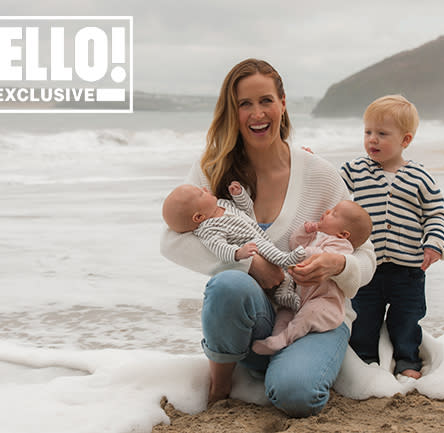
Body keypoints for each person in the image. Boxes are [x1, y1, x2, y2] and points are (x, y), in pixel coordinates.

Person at [160, 58, 376, 417]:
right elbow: (170, 241)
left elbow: (366, 257)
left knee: (296, 395)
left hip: (313, 316)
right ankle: (221, 383)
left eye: (265, 101)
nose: (257, 114)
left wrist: (335, 264)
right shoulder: (212, 170)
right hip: (254, 321)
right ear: (233, 111)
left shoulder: (320, 175)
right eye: (245, 103)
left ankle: (291, 367)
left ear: (283, 103)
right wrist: (250, 263)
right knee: (229, 284)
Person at [340, 94, 444, 380]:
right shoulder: (357, 170)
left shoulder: (419, 176)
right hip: (368, 266)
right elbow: (328, 183)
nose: (372, 140)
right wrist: (309, 161)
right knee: (363, 317)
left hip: (409, 269)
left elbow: (436, 213)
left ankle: (407, 360)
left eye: (382, 134)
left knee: (407, 318)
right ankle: (364, 361)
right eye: (368, 132)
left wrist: (434, 243)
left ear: (405, 140)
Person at [252, 200, 373, 355]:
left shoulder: (342, 245)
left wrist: (304, 253)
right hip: (298, 298)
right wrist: (305, 230)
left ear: (343, 234)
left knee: (308, 315)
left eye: (333, 213)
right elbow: (295, 244)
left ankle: (285, 338)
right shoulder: (317, 237)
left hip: (323, 301)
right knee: (284, 313)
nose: (327, 212)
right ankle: (276, 339)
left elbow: (322, 256)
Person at [161, 181, 304, 310]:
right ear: (198, 217)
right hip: (251, 246)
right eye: (201, 193)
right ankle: (286, 259)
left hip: (261, 239)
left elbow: (247, 211)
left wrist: (239, 196)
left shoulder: (223, 204)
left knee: (285, 279)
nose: (205, 189)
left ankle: (287, 296)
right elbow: (219, 248)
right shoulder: (208, 229)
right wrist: (238, 253)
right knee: (263, 248)